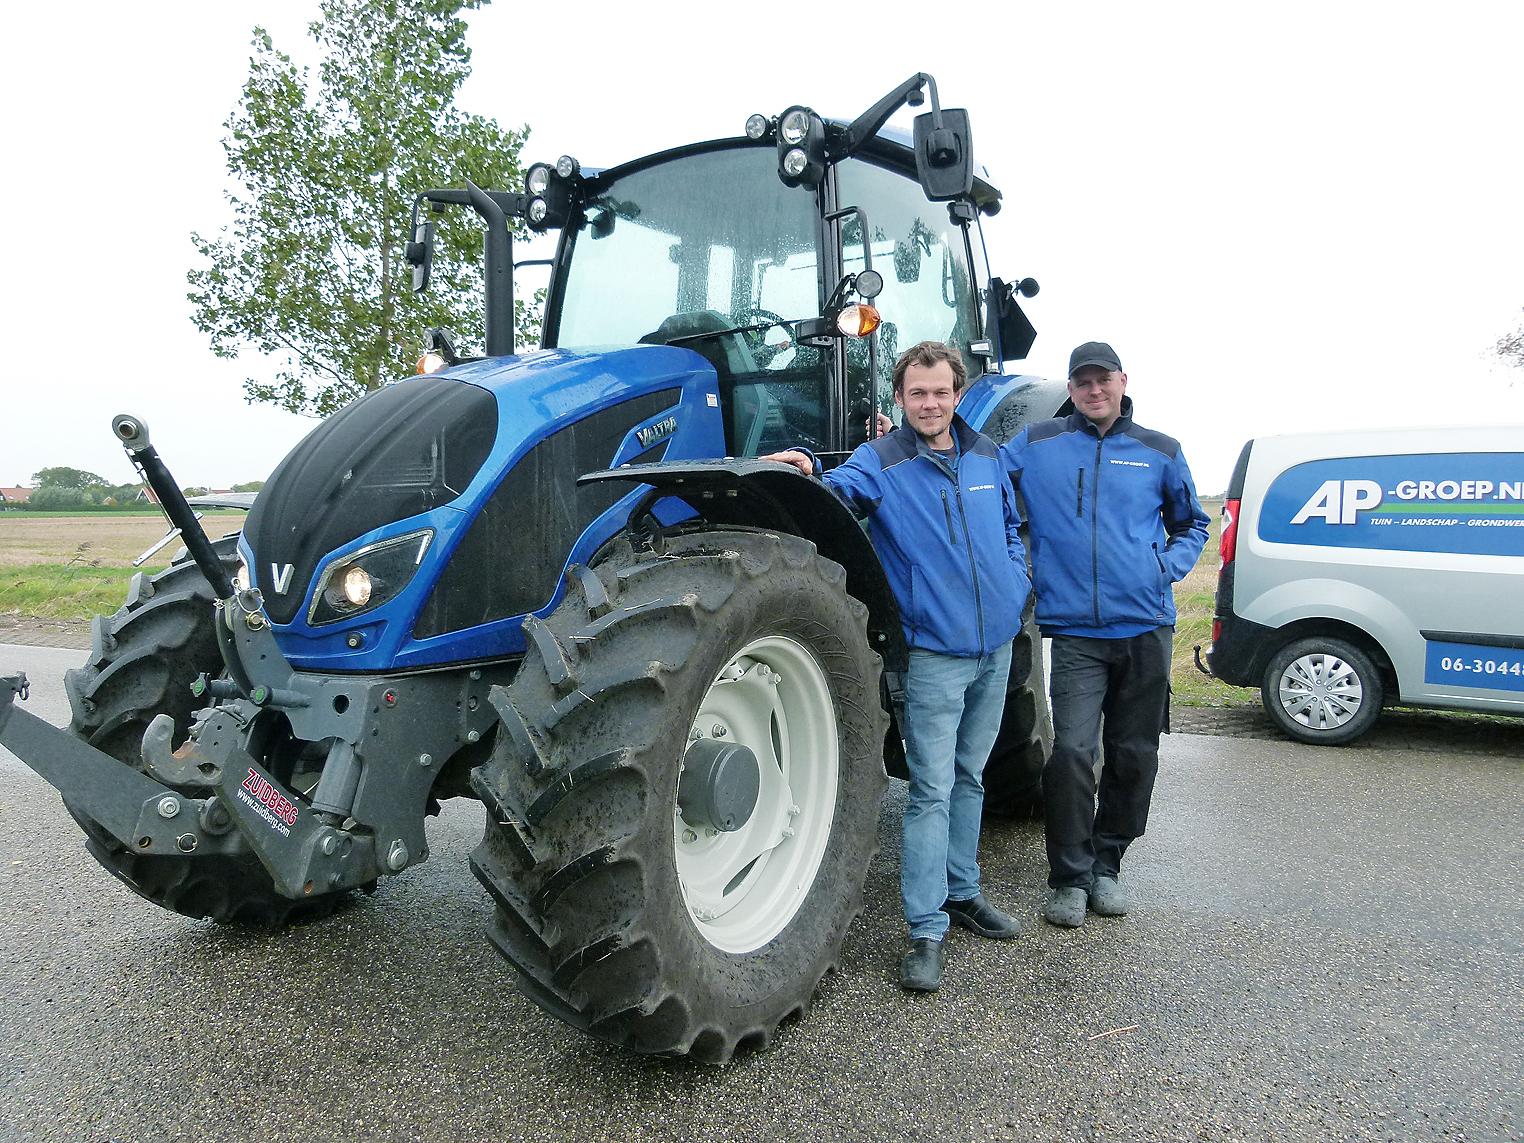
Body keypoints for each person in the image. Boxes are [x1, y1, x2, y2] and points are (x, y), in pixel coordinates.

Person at [762, 341, 1031, 992]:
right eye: (917, 394)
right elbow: (832, 497)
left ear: (957, 394)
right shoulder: (878, 462)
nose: (930, 403)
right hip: (935, 653)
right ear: (899, 399)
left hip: (994, 648)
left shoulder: (988, 457)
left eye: (940, 392)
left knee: (971, 776)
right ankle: (926, 927)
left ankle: (964, 892)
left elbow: (1011, 529)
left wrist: (1017, 586)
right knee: (932, 790)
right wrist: (794, 476)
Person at [1000, 341, 1209, 927]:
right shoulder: (1039, 444)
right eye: (1083, 382)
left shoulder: (1158, 451)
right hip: (1074, 632)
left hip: (1145, 626)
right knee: (1071, 752)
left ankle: (1107, 865)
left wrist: (1163, 567)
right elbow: (981, 467)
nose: (1095, 391)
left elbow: (1192, 521)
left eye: (1104, 380)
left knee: (1134, 753)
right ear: (1071, 389)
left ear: (1122, 381)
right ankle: (1067, 878)